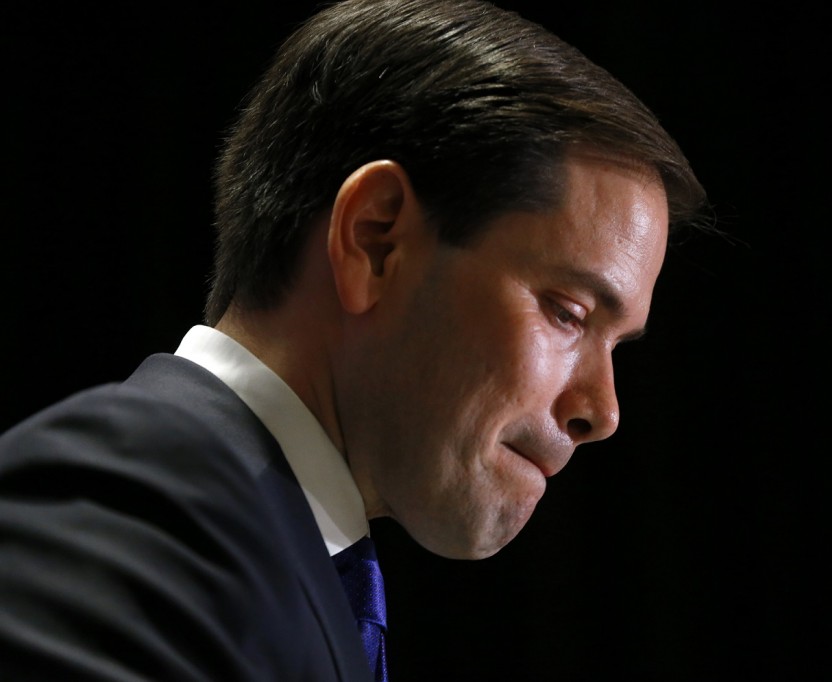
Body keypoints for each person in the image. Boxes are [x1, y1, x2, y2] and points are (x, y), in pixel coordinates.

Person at [0, 0, 706, 679]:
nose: (602, 411)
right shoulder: (127, 509)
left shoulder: (282, 555)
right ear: (376, 240)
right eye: (569, 313)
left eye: (617, 345)